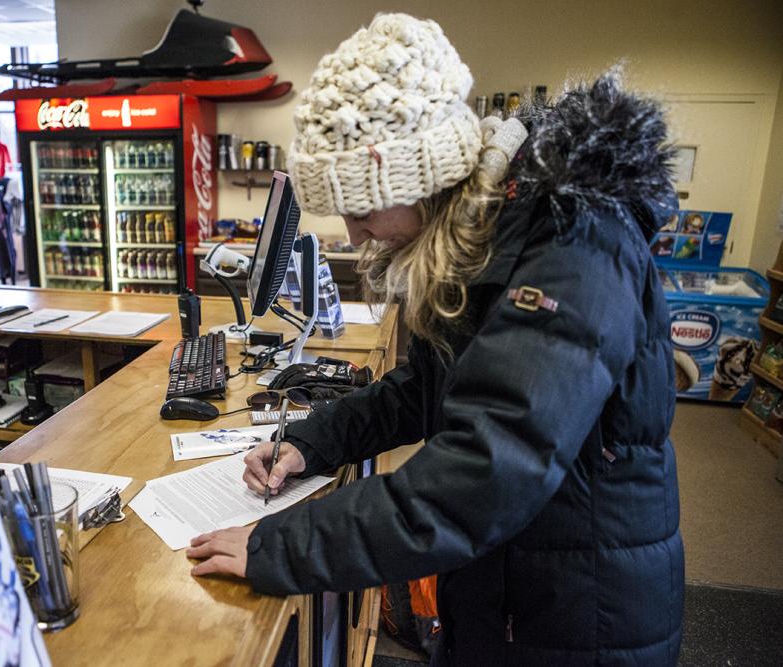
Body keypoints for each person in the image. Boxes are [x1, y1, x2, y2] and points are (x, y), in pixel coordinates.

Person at [188, 13, 684, 666]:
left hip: (580, 610)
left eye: (363, 210)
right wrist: (310, 443)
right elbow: (427, 390)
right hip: (507, 584)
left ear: (421, 179)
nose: (357, 234)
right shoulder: (482, 232)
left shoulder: (573, 236)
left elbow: (486, 470)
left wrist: (278, 544)